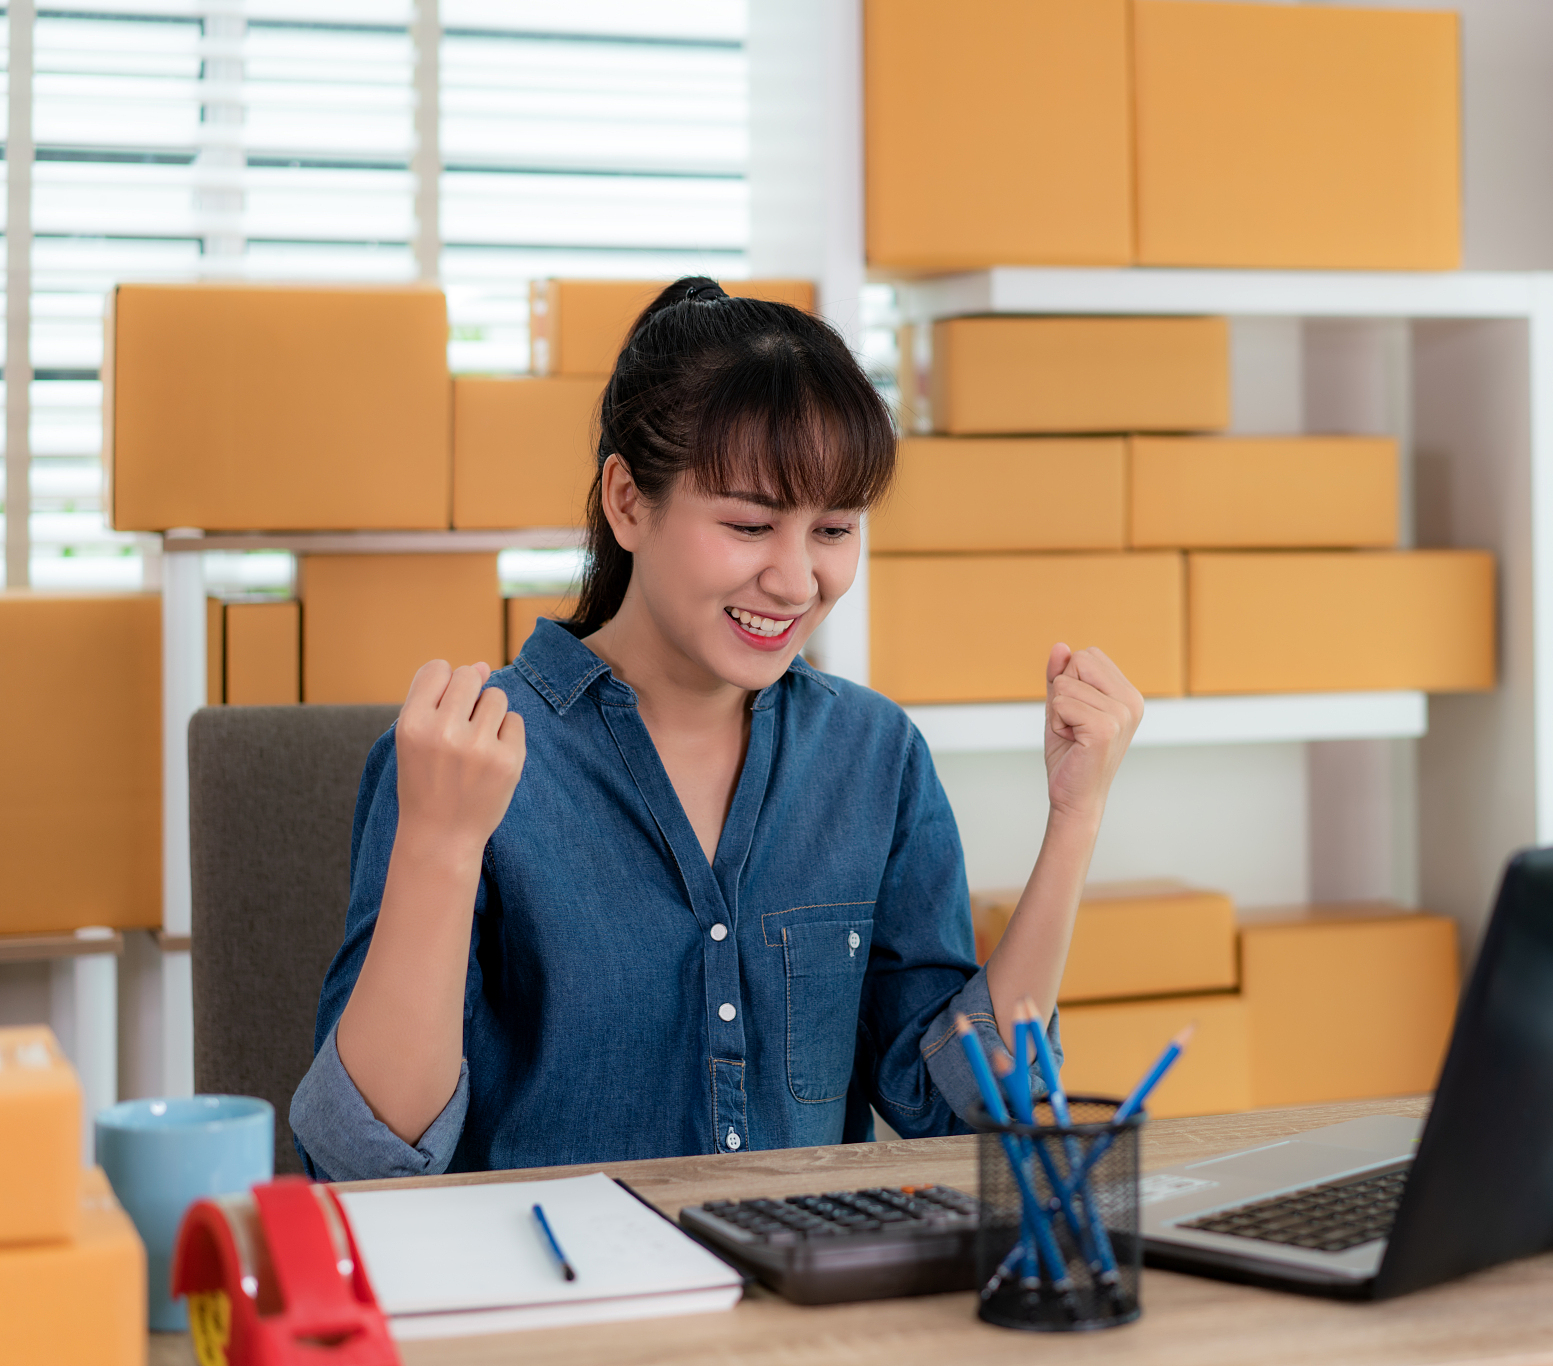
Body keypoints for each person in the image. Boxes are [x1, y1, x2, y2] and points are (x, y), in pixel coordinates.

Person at [290, 278, 1144, 1179]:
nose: (794, 579)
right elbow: (364, 1164)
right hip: (565, 1297)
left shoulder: (875, 757)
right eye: (748, 524)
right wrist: (439, 842)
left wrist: (1075, 818)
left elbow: (960, 1110)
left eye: (833, 529)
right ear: (627, 502)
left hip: (804, 1301)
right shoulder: (468, 761)